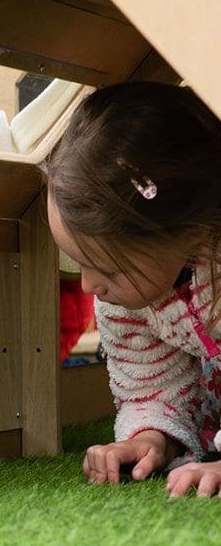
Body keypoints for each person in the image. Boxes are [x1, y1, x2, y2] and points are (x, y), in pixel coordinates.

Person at [42, 81, 221, 498]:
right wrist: (150, 437)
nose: (88, 286)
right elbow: (150, 385)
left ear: (186, 230)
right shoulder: (127, 298)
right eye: (77, 264)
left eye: (106, 268)